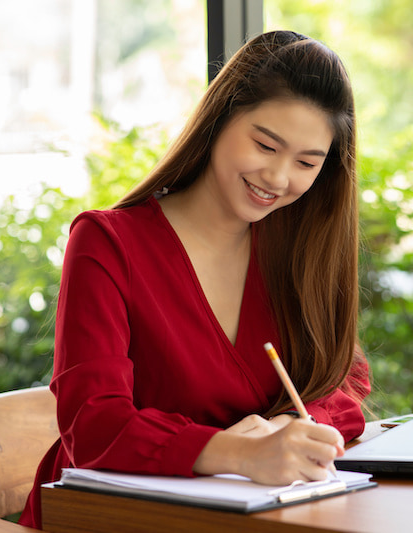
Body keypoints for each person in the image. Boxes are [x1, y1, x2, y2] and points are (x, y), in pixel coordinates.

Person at [19, 30, 370, 528]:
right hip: (108, 518)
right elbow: (93, 426)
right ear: (221, 116)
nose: (277, 177)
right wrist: (242, 455)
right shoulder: (107, 242)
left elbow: (346, 378)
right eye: (265, 145)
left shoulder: (295, 249)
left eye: (307, 163)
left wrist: (288, 427)